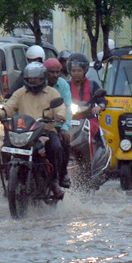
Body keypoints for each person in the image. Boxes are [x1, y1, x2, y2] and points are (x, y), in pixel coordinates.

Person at [0, 61, 68, 198]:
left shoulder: (52, 93)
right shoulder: (20, 93)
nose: (33, 81)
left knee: (56, 148)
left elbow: (61, 108)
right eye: (30, 78)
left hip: (45, 131)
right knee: (5, 147)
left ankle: (54, 181)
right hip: (23, 132)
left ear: (42, 79)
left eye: (36, 78)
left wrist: (59, 116)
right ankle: (9, 179)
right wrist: (0, 114)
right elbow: (9, 107)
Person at [44, 57, 73, 187]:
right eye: (52, 72)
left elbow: (67, 107)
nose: (55, 75)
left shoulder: (63, 85)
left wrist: (64, 127)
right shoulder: (34, 83)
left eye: (58, 72)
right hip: (34, 125)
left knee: (64, 142)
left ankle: (61, 175)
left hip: (55, 125)